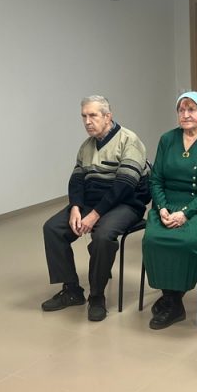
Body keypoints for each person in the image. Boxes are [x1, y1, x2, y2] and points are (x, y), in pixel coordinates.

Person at [42, 96, 150, 322]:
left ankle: (97, 296)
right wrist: (75, 207)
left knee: (102, 236)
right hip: (92, 203)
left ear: (108, 116)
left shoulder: (129, 141)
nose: (87, 121)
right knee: (52, 228)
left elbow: (124, 185)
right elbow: (76, 180)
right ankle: (72, 290)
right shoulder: (87, 146)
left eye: (93, 115)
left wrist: (94, 215)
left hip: (126, 203)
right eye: (84, 116)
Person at [142, 92, 197, 330]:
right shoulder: (167, 139)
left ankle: (172, 300)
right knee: (153, 239)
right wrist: (161, 208)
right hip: (168, 205)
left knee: (185, 241)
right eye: (181, 110)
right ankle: (172, 300)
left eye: (192, 109)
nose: (186, 114)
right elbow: (156, 179)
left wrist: (186, 213)